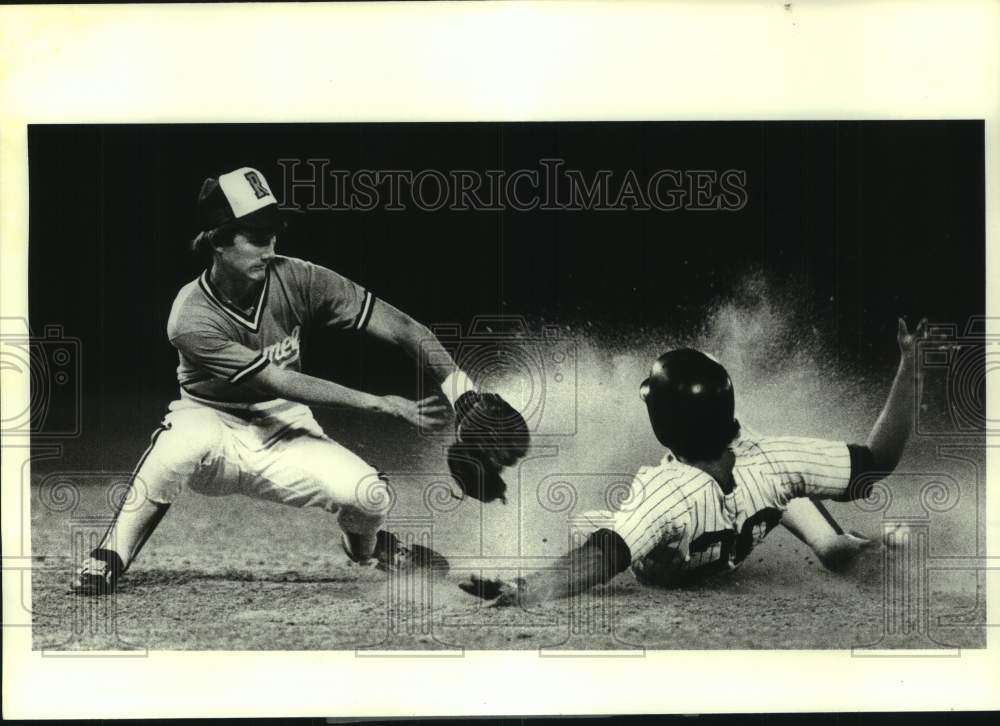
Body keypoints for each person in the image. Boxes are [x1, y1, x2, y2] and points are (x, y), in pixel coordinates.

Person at [72, 165, 502, 595]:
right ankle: (110, 556)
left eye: (273, 233)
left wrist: (462, 394)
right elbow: (276, 380)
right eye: (256, 235)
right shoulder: (191, 316)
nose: (269, 246)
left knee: (370, 496)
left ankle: (371, 550)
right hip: (213, 427)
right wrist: (380, 402)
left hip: (284, 427)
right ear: (219, 241)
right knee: (182, 440)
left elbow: (404, 329)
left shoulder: (298, 277)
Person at [460, 319, 928, 606]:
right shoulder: (773, 458)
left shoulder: (663, 494)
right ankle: (863, 551)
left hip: (670, 549)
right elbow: (877, 460)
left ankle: (857, 552)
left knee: (590, 528)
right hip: (756, 493)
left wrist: (527, 589)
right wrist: (909, 368)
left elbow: (602, 557)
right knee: (827, 541)